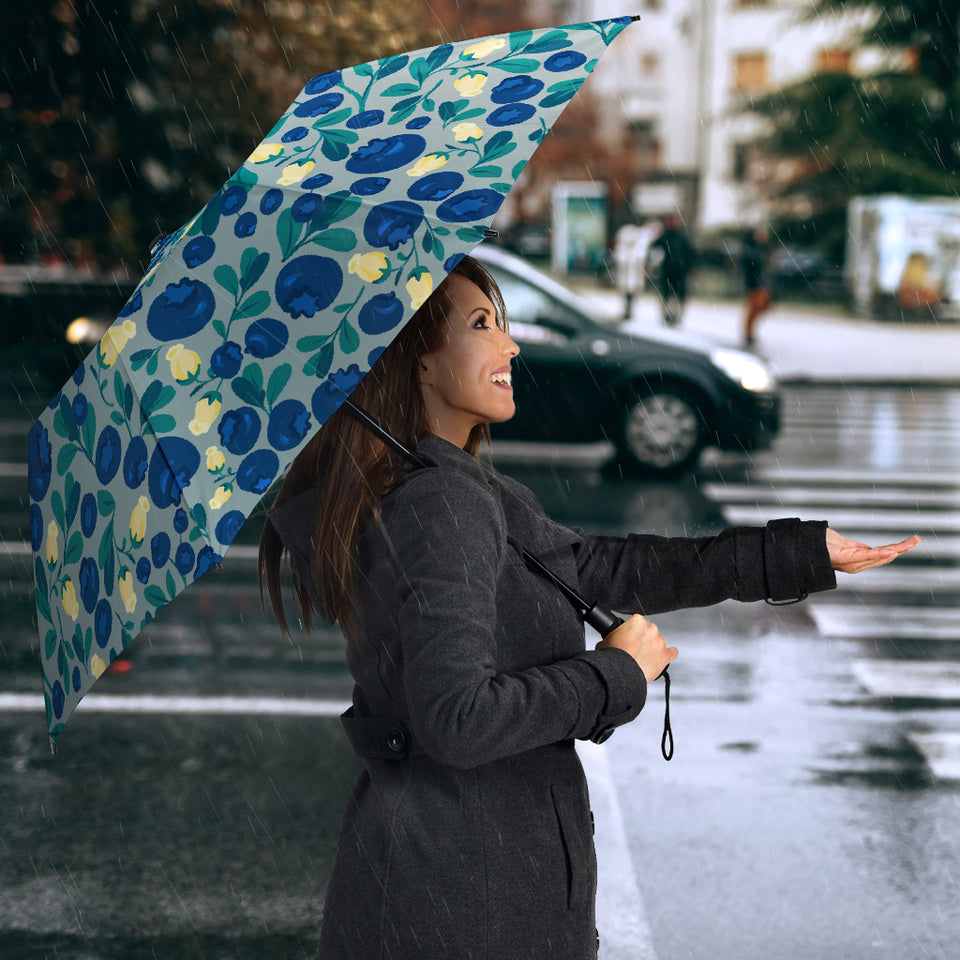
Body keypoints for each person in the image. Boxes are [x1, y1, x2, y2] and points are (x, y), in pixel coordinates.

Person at [258, 255, 919, 960]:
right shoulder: (440, 503)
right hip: (467, 902)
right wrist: (614, 674)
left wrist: (796, 553)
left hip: (450, 883)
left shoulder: (447, 488)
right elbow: (456, 719)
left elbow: (603, 567)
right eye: (483, 325)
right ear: (416, 361)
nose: (510, 345)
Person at [648, 213, 695, 327]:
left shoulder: (681, 237)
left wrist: (690, 267)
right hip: (668, 270)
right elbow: (654, 249)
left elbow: (690, 253)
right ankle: (667, 315)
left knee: (677, 295)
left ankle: (675, 316)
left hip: (679, 271)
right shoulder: (665, 236)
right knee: (667, 294)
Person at [741, 226, 772, 347]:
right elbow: (750, 265)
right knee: (754, 308)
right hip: (754, 284)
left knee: (762, 306)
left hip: (763, 283)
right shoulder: (750, 250)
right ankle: (748, 333)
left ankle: (750, 331)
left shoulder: (763, 249)